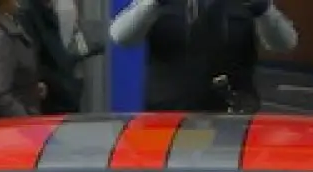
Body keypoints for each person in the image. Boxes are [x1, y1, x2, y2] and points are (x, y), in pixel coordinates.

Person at [107, 0, 297, 113]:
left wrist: (264, 10)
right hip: (166, 113)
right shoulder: (157, 4)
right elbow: (121, 37)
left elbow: (285, 44)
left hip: (233, 115)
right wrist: (152, 4)